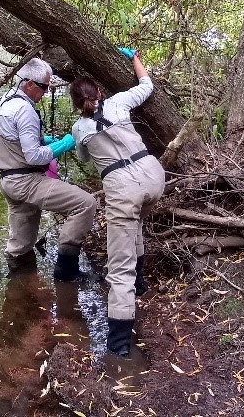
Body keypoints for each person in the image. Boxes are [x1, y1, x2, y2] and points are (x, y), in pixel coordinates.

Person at [68, 48, 165, 357]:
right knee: (134, 222)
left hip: (123, 188)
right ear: (99, 91)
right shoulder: (119, 102)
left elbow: (83, 157)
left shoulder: (78, 129)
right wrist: (135, 56)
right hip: (153, 177)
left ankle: (118, 345)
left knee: (118, 266)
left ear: (76, 104)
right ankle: (141, 283)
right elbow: (147, 86)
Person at [0, 57, 97, 280]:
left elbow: (11, 137)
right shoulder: (25, 110)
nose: (47, 92)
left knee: (21, 244)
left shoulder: (2, 101)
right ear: (29, 84)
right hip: (26, 181)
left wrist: (42, 138)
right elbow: (33, 156)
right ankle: (66, 270)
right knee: (85, 204)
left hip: (6, 180)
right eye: (45, 86)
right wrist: (64, 144)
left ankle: (22, 288)